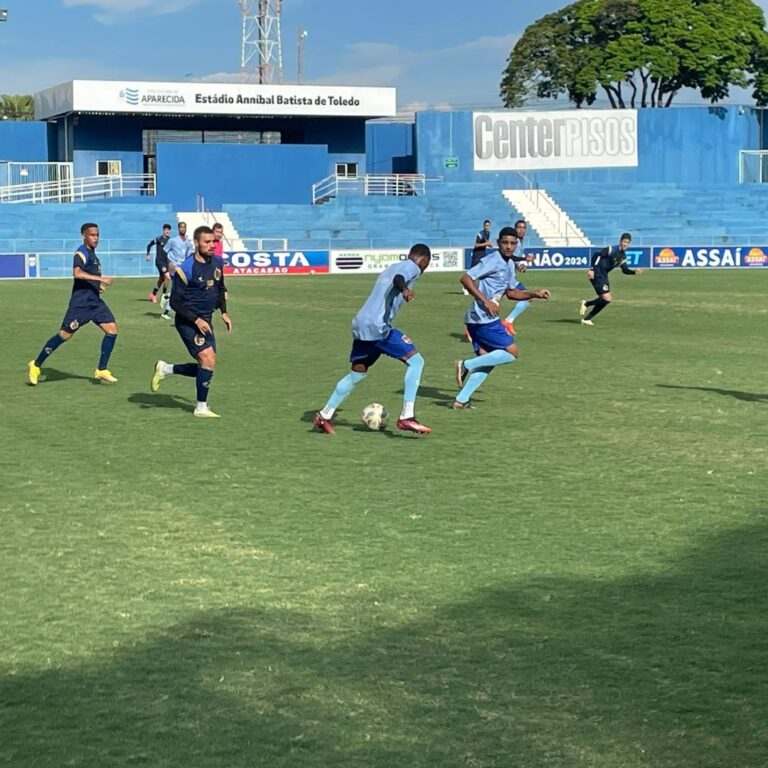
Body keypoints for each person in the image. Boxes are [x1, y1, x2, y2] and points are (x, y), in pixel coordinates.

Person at [313, 244, 433, 435]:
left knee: (357, 373)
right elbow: (399, 279)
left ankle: (324, 415)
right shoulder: (412, 267)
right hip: (378, 327)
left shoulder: (392, 266)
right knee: (416, 361)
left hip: (361, 323)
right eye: (427, 262)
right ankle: (407, 417)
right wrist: (404, 289)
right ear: (424, 259)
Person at [453, 227, 550, 410]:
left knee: (489, 360)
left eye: (512, 243)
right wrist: (486, 301)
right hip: (482, 317)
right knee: (511, 352)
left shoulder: (509, 265)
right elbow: (466, 278)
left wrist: (534, 294)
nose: (509, 246)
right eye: (505, 242)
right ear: (498, 243)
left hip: (482, 318)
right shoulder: (492, 260)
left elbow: (512, 293)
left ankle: (461, 400)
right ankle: (465, 365)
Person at [150, 225, 232, 418]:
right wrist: (196, 319)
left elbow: (220, 288)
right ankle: (200, 408)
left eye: (213, 241)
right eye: (207, 242)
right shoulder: (186, 269)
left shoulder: (217, 262)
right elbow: (175, 302)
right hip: (188, 320)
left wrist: (224, 312)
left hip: (206, 319)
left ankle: (165, 368)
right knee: (207, 359)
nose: (212, 245)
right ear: (196, 243)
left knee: (207, 365)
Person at [27, 223, 119, 385]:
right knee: (64, 335)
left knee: (112, 330)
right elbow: (77, 273)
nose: (96, 238)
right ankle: (36, 365)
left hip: (95, 303)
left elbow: (87, 276)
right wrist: (101, 279)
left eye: (97, 235)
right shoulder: (81, 252)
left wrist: (98, 286)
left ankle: (101, 370)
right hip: (81, 305)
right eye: (92, 235)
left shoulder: (93, 255)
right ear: (84, 236)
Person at [579, 232, 643, 326]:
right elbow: (597, 255)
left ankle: (586, 315)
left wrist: (634, 272)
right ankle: (586, 307)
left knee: (606, 299)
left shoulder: (623, 256)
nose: (625, 244)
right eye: (624, 241)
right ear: (620, 241)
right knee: (607, 298)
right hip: (597, 273)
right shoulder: (612, 249)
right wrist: (592, 269)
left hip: (604, 275)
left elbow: (624, 270)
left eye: (628, 242)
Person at [502, 219, 532, 335]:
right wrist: (524, 259)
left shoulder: (519, 243)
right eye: (519, 227)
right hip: (505, 278)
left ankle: (508, 321)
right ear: (515, 229)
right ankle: (508, 321)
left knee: (491, 302)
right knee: (527, 296)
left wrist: (520, 266)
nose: (521, 230)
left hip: (508, 278)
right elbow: (510, 257)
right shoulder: (516, 243)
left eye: (524, 227)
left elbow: (512, 259)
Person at [160, 221, 194, 320]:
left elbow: (189, 256)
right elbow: (164, 252)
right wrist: (168, 262)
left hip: (182, 269)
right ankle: (166, 311)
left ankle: (167, 297)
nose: (183, 229)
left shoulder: (188, 243)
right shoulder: (173, 241)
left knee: (180, 291)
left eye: (184, 227)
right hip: (174, 268)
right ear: (178, 228)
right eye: (181, 227)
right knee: (179, 291)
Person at [146, 223, 172, 303]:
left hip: (166, 262)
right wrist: (148, 254)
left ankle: (153, 295)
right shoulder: (158, 239)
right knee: (167, 277)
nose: (167, 231)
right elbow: (149, 245)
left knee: (162, 279)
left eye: (168, 230)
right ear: (163, 230)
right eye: (166, 230)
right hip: (159, 262)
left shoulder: (170, 240)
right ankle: (164, 296)